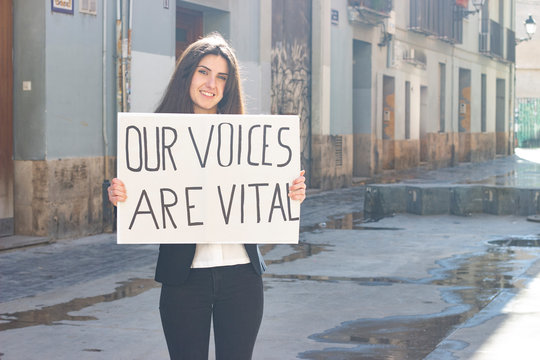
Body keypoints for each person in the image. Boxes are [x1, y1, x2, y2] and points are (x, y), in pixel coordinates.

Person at [108, 32, 306, 360]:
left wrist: (292, 192)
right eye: (203, 72)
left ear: (228, 86)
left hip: (242, 278)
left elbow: (263, 195)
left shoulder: (249, 138)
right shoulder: (155, 135)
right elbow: (137, 196)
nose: (211, 84)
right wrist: (117, 194)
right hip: (184, 280)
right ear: (187, 74)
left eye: (221, 77)